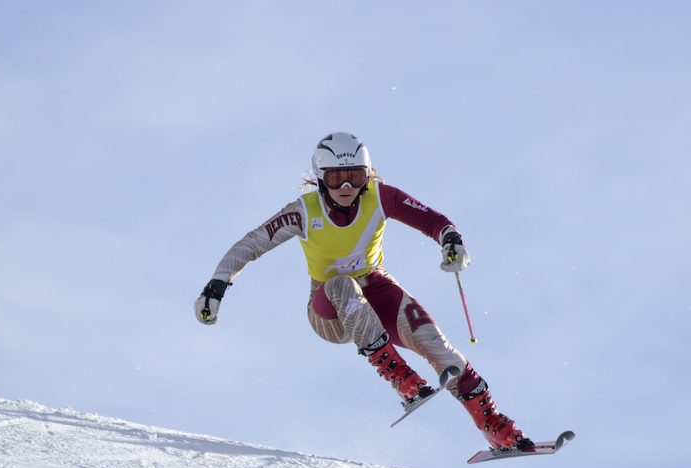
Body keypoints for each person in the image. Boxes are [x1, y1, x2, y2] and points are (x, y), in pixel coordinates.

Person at [194, 131, 531, 451]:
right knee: (341, 283)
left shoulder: (379, 197)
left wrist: (450, 239)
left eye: (355, 177)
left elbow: (431, 219)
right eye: (336, 178)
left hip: (377, 291)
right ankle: (399, 376)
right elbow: (251, 244)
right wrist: (218, 284)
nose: (345, 186)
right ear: (320, 178)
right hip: (329, 310)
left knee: (437, 345)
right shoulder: (304, 210)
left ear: (367, 175)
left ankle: (496, 428)